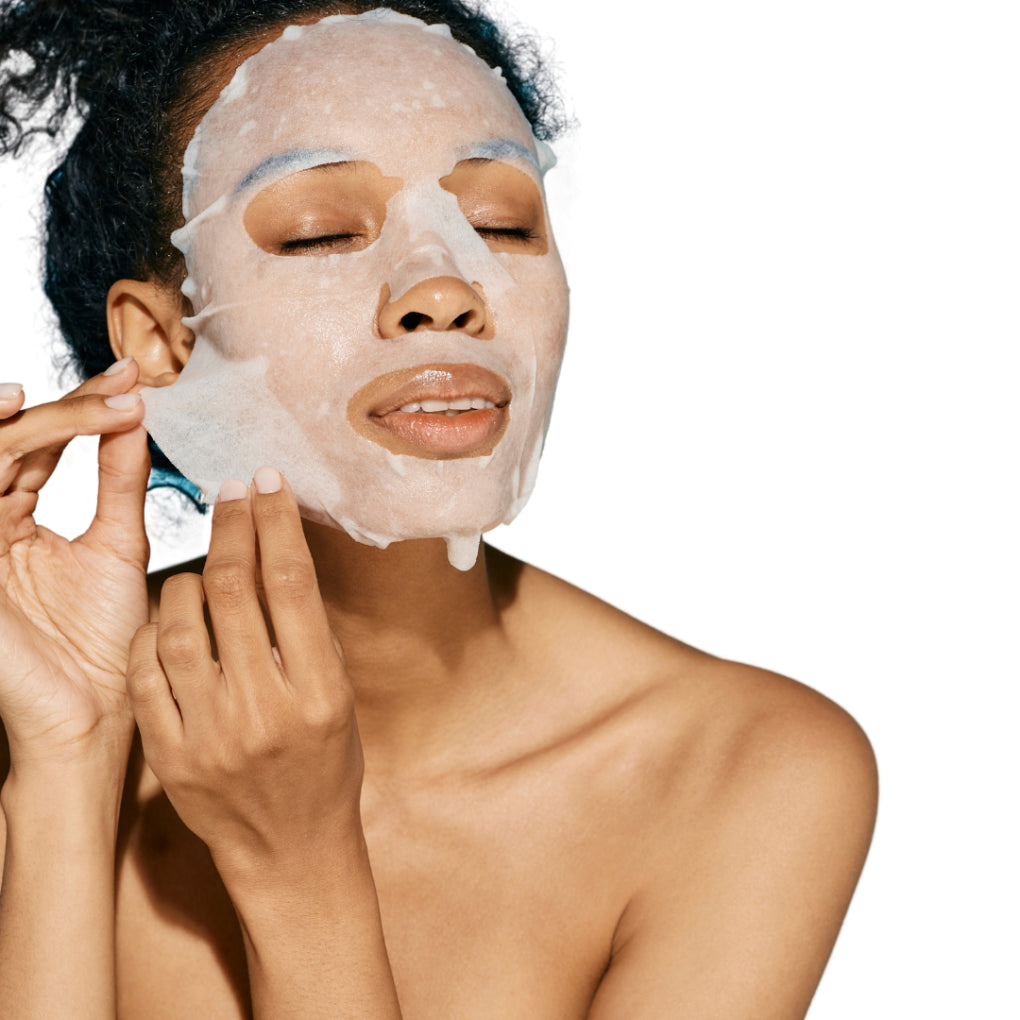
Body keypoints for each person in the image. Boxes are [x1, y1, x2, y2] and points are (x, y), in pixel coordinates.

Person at [0, 1, 878, 1016]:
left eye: (501, 222)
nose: (446, 286)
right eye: (323, 231)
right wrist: (68, 761)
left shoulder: (743, 769)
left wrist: (300, 872)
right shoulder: (30, 713)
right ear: (164, 343)